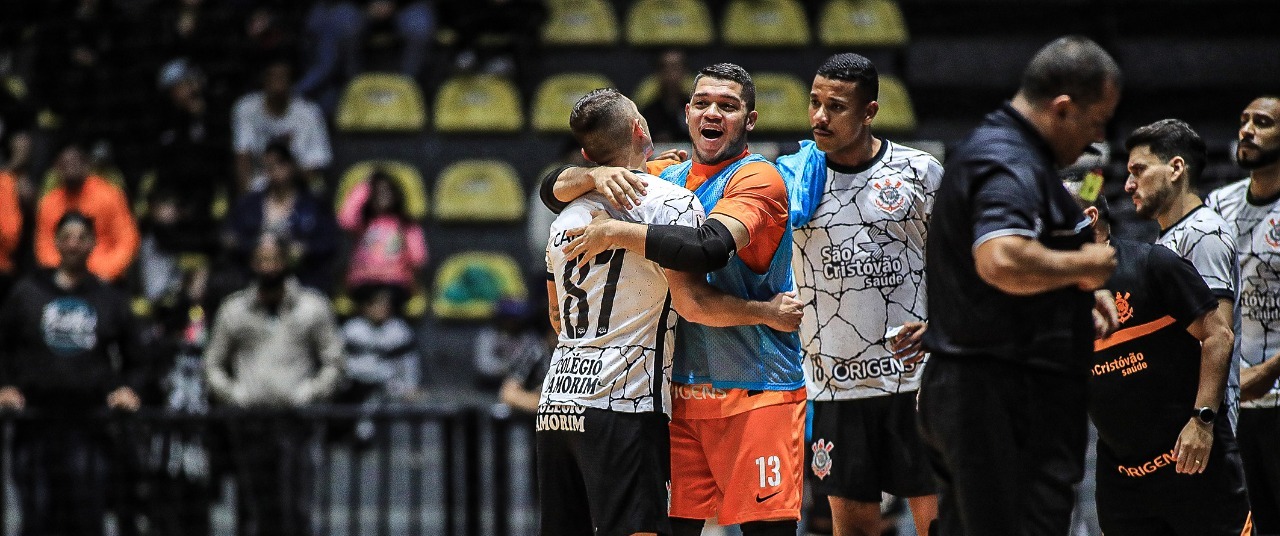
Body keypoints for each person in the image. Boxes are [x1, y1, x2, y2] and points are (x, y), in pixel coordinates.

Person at [547, 64, 807, 536]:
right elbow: (552, 189)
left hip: (753, 386)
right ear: (686, 113)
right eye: (703, 103)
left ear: (749, 120)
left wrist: (616, 231)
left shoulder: (758, 178)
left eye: (727, 106)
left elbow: (706, 247)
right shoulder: (667, 176)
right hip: (678, 397)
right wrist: (596, 174)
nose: (713, 112)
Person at [918, 36, 1122, 534]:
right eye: (1096, 121)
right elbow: (1000, 259)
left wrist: (1070, 294)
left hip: (989, 398)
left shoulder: (1012, 154)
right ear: (1063, 108)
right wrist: (1082, 267)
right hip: (999, 402)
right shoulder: (1008, 161)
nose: (1096, 139)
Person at [772, 52, 941, 536]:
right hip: (835, 385)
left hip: (915, 380)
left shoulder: (920, 172)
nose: (820, 116)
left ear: (870, 111)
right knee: (853, 528)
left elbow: (959, 264)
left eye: (837, 106)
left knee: (938, 521)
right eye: (815, 103)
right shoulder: (791, 178)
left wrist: (941, 325)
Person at [1064, 185, 1253, 534]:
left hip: (1195, 463)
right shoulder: (1056, 299)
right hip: (1123, 481)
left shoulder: (1153, 264)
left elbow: (1219, 336)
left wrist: (1203, 420)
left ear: (1088, 219)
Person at [0, 211, 147, 536]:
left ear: (93, 243)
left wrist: (128, 389)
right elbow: (3, 346)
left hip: (90, 428)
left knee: (86, 518)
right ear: (55, 242)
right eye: (67, 237)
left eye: (82, 238)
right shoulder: (27, 293)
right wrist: (6, 386)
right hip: (34, 425)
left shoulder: (109, 298)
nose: (74, 244)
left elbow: (136, 358)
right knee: (36, 518)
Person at [203, 232, 344, 536]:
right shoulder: (234, 310)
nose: (268, 267)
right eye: (261, 260)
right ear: (251, 263)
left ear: (286, 261)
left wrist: (310, 392)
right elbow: (213, 364)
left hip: (297, 424)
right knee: (253, 509)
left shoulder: (313, 308)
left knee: (296, 508)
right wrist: (233, 394)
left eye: (274, 259)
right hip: (249, 423)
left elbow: (334, 363)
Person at [1123, 118, 1243, 431]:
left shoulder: (1202, 233)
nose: (1128, 185)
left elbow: (1218, 338)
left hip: (1206, 428)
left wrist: (1201, 420)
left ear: (1176, 169)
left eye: (1139, 170)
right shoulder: (1171, 237)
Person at [1206, 95, 1280, 534]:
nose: (1247, 130)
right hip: (1235, 402)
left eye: (1263, 122)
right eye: (1244, 121)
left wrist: (1270, 369)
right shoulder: (1219, 206)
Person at [223, 142, 338, 292]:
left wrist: (305, 250)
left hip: (304, 279)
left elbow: (330, 242)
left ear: (291, 165)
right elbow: (230, 237)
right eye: (268, 166)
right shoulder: (249, 204)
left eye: (279, 164)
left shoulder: (313, 204)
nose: (273, 171)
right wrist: (255, 248)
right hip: (252, 279)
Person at [35, 142, 140, 283]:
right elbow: (45, 245)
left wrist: (107, 272)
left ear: (87, 165)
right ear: (57, 168)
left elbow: (127, 240)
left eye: (75, 162)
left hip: (105, 276)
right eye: (65, 163)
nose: (70, 167)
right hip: (62, 278)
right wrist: (61, 275)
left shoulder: (110, 195)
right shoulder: (48, 203)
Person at [232, 59, 331, 194]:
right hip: (260, 187)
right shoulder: (246, 108)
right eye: (273, 77)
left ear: (291, 81)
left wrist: (284, 172)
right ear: (264, 80)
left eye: (283, 77)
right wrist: (246, 202)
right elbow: (242, 157)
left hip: (300, 187)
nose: (278, 83)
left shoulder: (310, 112)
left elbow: (316, 167)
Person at [337, 167, 428, 306]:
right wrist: (365, 188)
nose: (382, 196)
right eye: (377, 192)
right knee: (365, 293)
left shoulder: (406, 225)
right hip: (364, 280)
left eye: (387, 191)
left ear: (396, 194)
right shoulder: (363, 224)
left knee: (390, 295)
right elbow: (345, 219)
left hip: (395, 281)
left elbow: (419, 259)